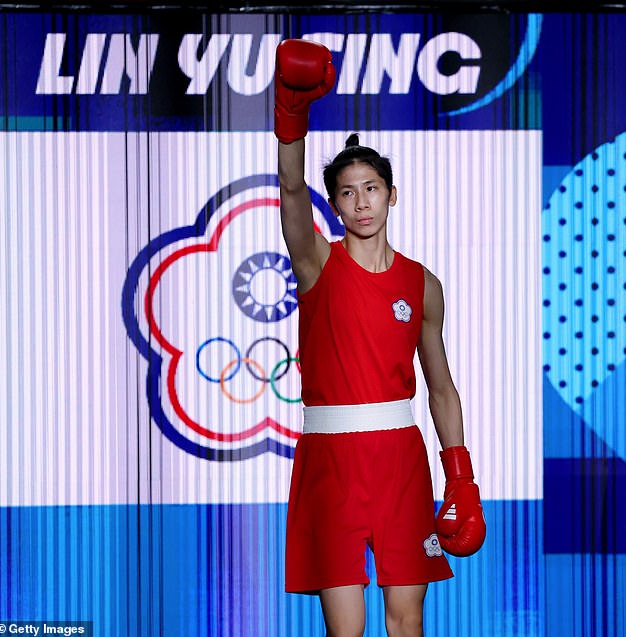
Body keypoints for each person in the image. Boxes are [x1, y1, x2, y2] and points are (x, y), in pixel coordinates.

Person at [274, 39, 486, 637]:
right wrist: (290, 115)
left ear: (391, 194)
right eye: (346, 192)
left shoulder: (423, 284)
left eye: (371, 188)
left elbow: (441, 388)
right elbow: (291, 192)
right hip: (331, 463)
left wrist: (461, 475)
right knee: (346, 630)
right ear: (336, 206)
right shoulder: (316, 263)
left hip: (400, 458)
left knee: (406, 620)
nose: (360, 201)